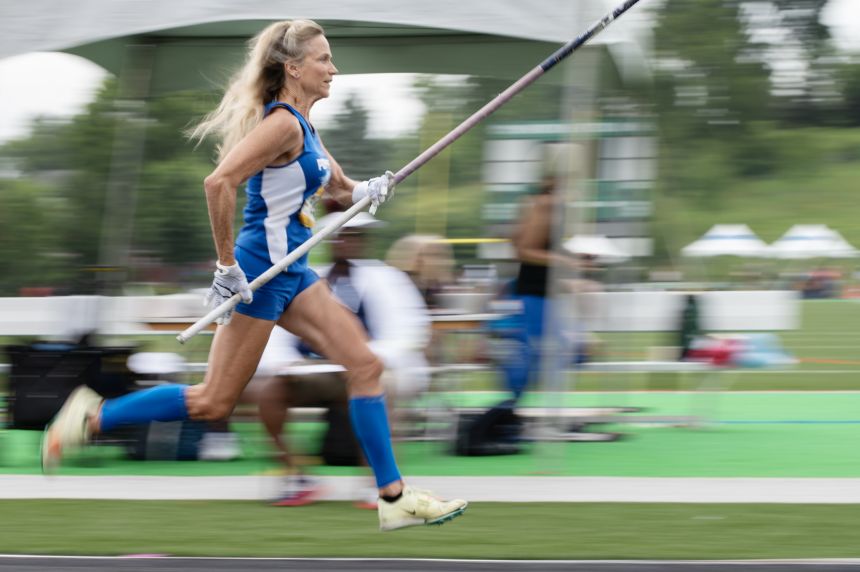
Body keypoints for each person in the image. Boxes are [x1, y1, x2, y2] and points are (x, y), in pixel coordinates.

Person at [40, 19, 466, 531]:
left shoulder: (307, 126)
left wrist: (367, 191)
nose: (334, 68)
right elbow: (217, 183)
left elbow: (336, 191)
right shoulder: (282, 124)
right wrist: (226, 267)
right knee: (212, 401)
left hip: (296, 274)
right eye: (323, 59)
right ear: (294, 68)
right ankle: (90, 417)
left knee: (366, 366)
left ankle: (393, 497)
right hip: (259, 277)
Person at [253, 212, 433, 507]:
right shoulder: (303, 277)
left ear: (365, 241)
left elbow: (408, 330)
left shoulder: (389, 278)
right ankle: (297, 476)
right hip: (313, 370)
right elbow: (276, 330)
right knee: (270, 393)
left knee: (379, 386)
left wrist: (368, 360)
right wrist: (284, 364)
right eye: (339, 234)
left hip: (368, 367)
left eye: (354, 235)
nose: (345, 241)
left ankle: (377, 482)